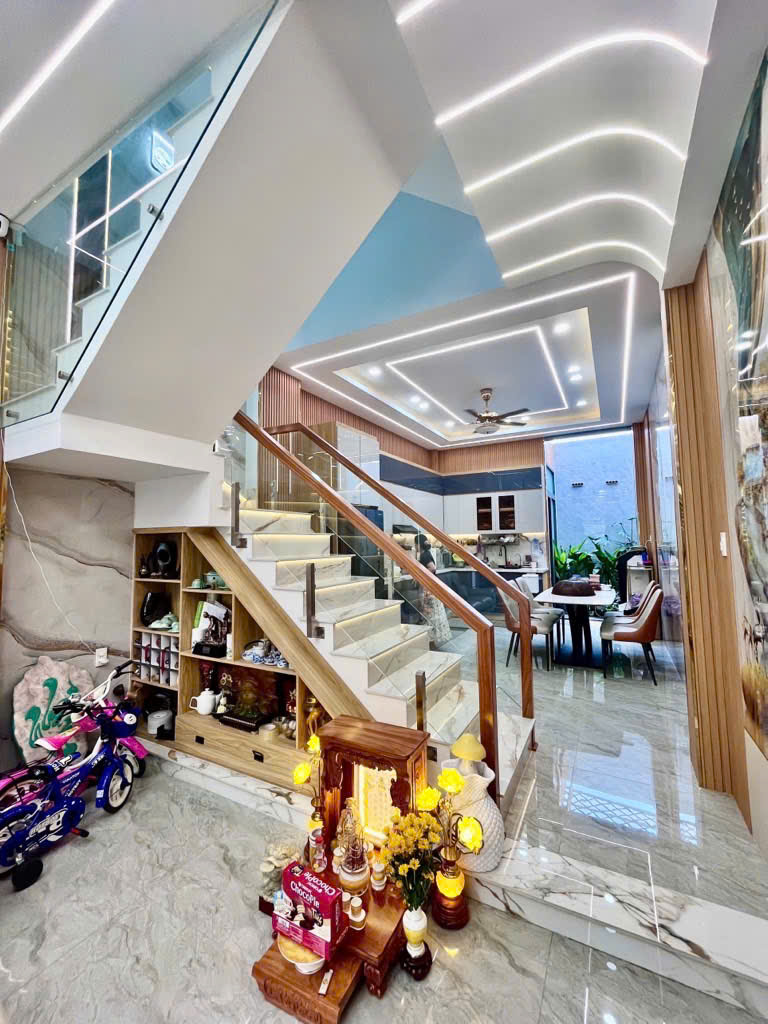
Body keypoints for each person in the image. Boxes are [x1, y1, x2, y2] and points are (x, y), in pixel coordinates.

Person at [415, 535, 452, 648]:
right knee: (431, 616)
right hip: (431, 588)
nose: (415, 546)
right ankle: (431, 643)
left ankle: (431, 643)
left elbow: (432, 568)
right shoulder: (426, 554)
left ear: (418, 544)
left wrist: (420, 575)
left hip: (429, 590)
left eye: (415, 544)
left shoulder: (424, 555)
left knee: (429, 616)